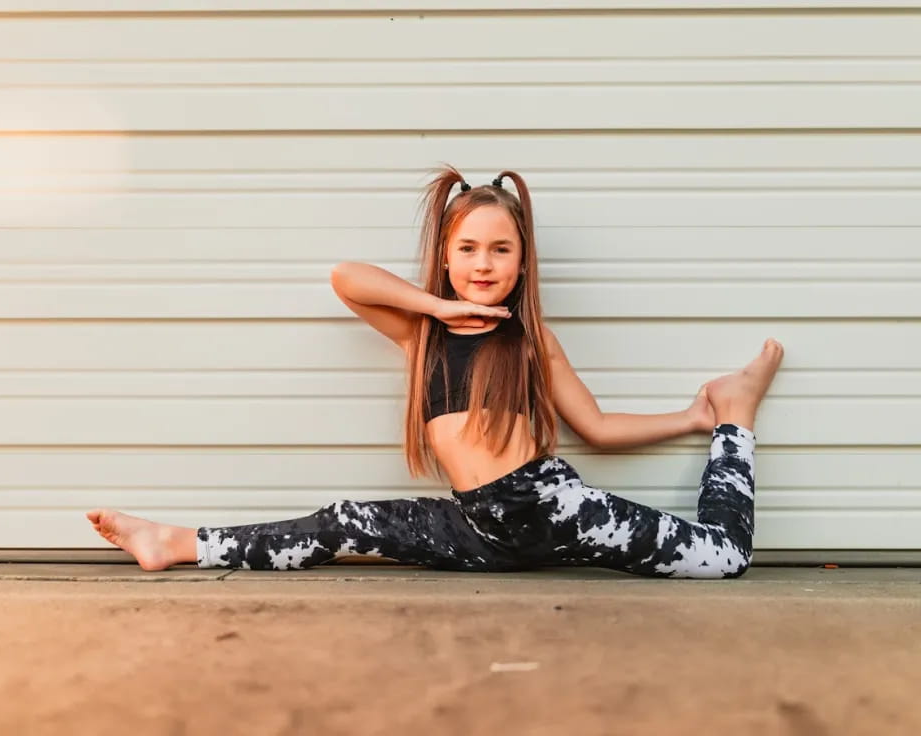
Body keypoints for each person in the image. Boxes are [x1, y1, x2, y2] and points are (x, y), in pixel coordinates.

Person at [86, 165, 784, 578]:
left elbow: (596, 428)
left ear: (521, 261)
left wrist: (698, 418)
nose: (484, 264)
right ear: (447, 258)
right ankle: (174, 543)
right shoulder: (422, 329)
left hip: (550, 508)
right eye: (469, 248)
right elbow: (345, 277)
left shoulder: (531, 338)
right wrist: (435, 306)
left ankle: (735, 417)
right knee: (340, 522)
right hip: (480, 531)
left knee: (725, 559)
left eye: (501, 249)